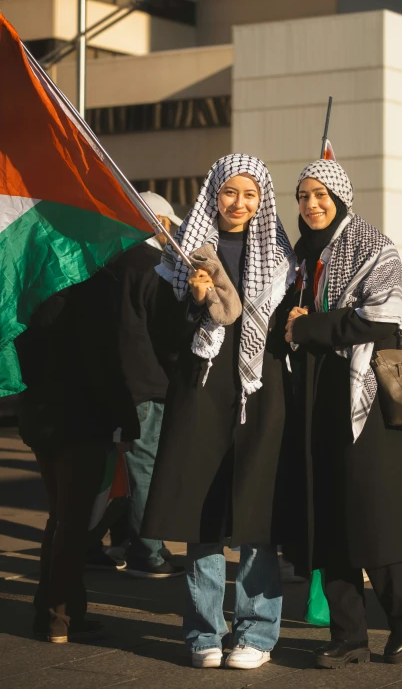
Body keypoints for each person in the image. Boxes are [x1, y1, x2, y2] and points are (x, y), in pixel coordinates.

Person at [142, 154, 297, 670]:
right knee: (200, 517)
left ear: (262, 200)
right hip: (201, 394)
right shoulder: (183, 252)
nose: (239, 203)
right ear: (213, 192)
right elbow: (161, 337)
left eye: (250, 194)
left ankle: (257, 633)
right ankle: (204, 633)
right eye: (230, 191)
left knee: (257, 515)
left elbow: (288, 329)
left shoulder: (280, 253)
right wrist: (191, 301)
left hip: (262, 392)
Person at [285, 159, 402, 668]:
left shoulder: (374, 245)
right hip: (314, 399)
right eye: (303, 196)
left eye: (321, 194)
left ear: (342, 196)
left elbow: (385, 320)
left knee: (368, 513)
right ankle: (348, 633)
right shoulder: (299, 256)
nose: (312, 204)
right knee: (326, 516)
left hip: (363, 402)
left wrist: (312, 327)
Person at [15, 273, 140, 644]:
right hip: (82, 418)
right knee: (73, 522)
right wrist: (125, 419)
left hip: (41, 415)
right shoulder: (92, 286)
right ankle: (59, 615)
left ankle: (53, 611)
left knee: (60, 517)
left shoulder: (30, 283)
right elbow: (104, 359)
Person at [100, 191, 185, 578]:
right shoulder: (152, 266)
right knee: (144, 468)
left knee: (127, 468)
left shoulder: (113, 263)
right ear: (160, 223)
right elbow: (165, 332)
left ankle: (133, 542)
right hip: (149, 383)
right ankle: (147, 552)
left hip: (122, 381)